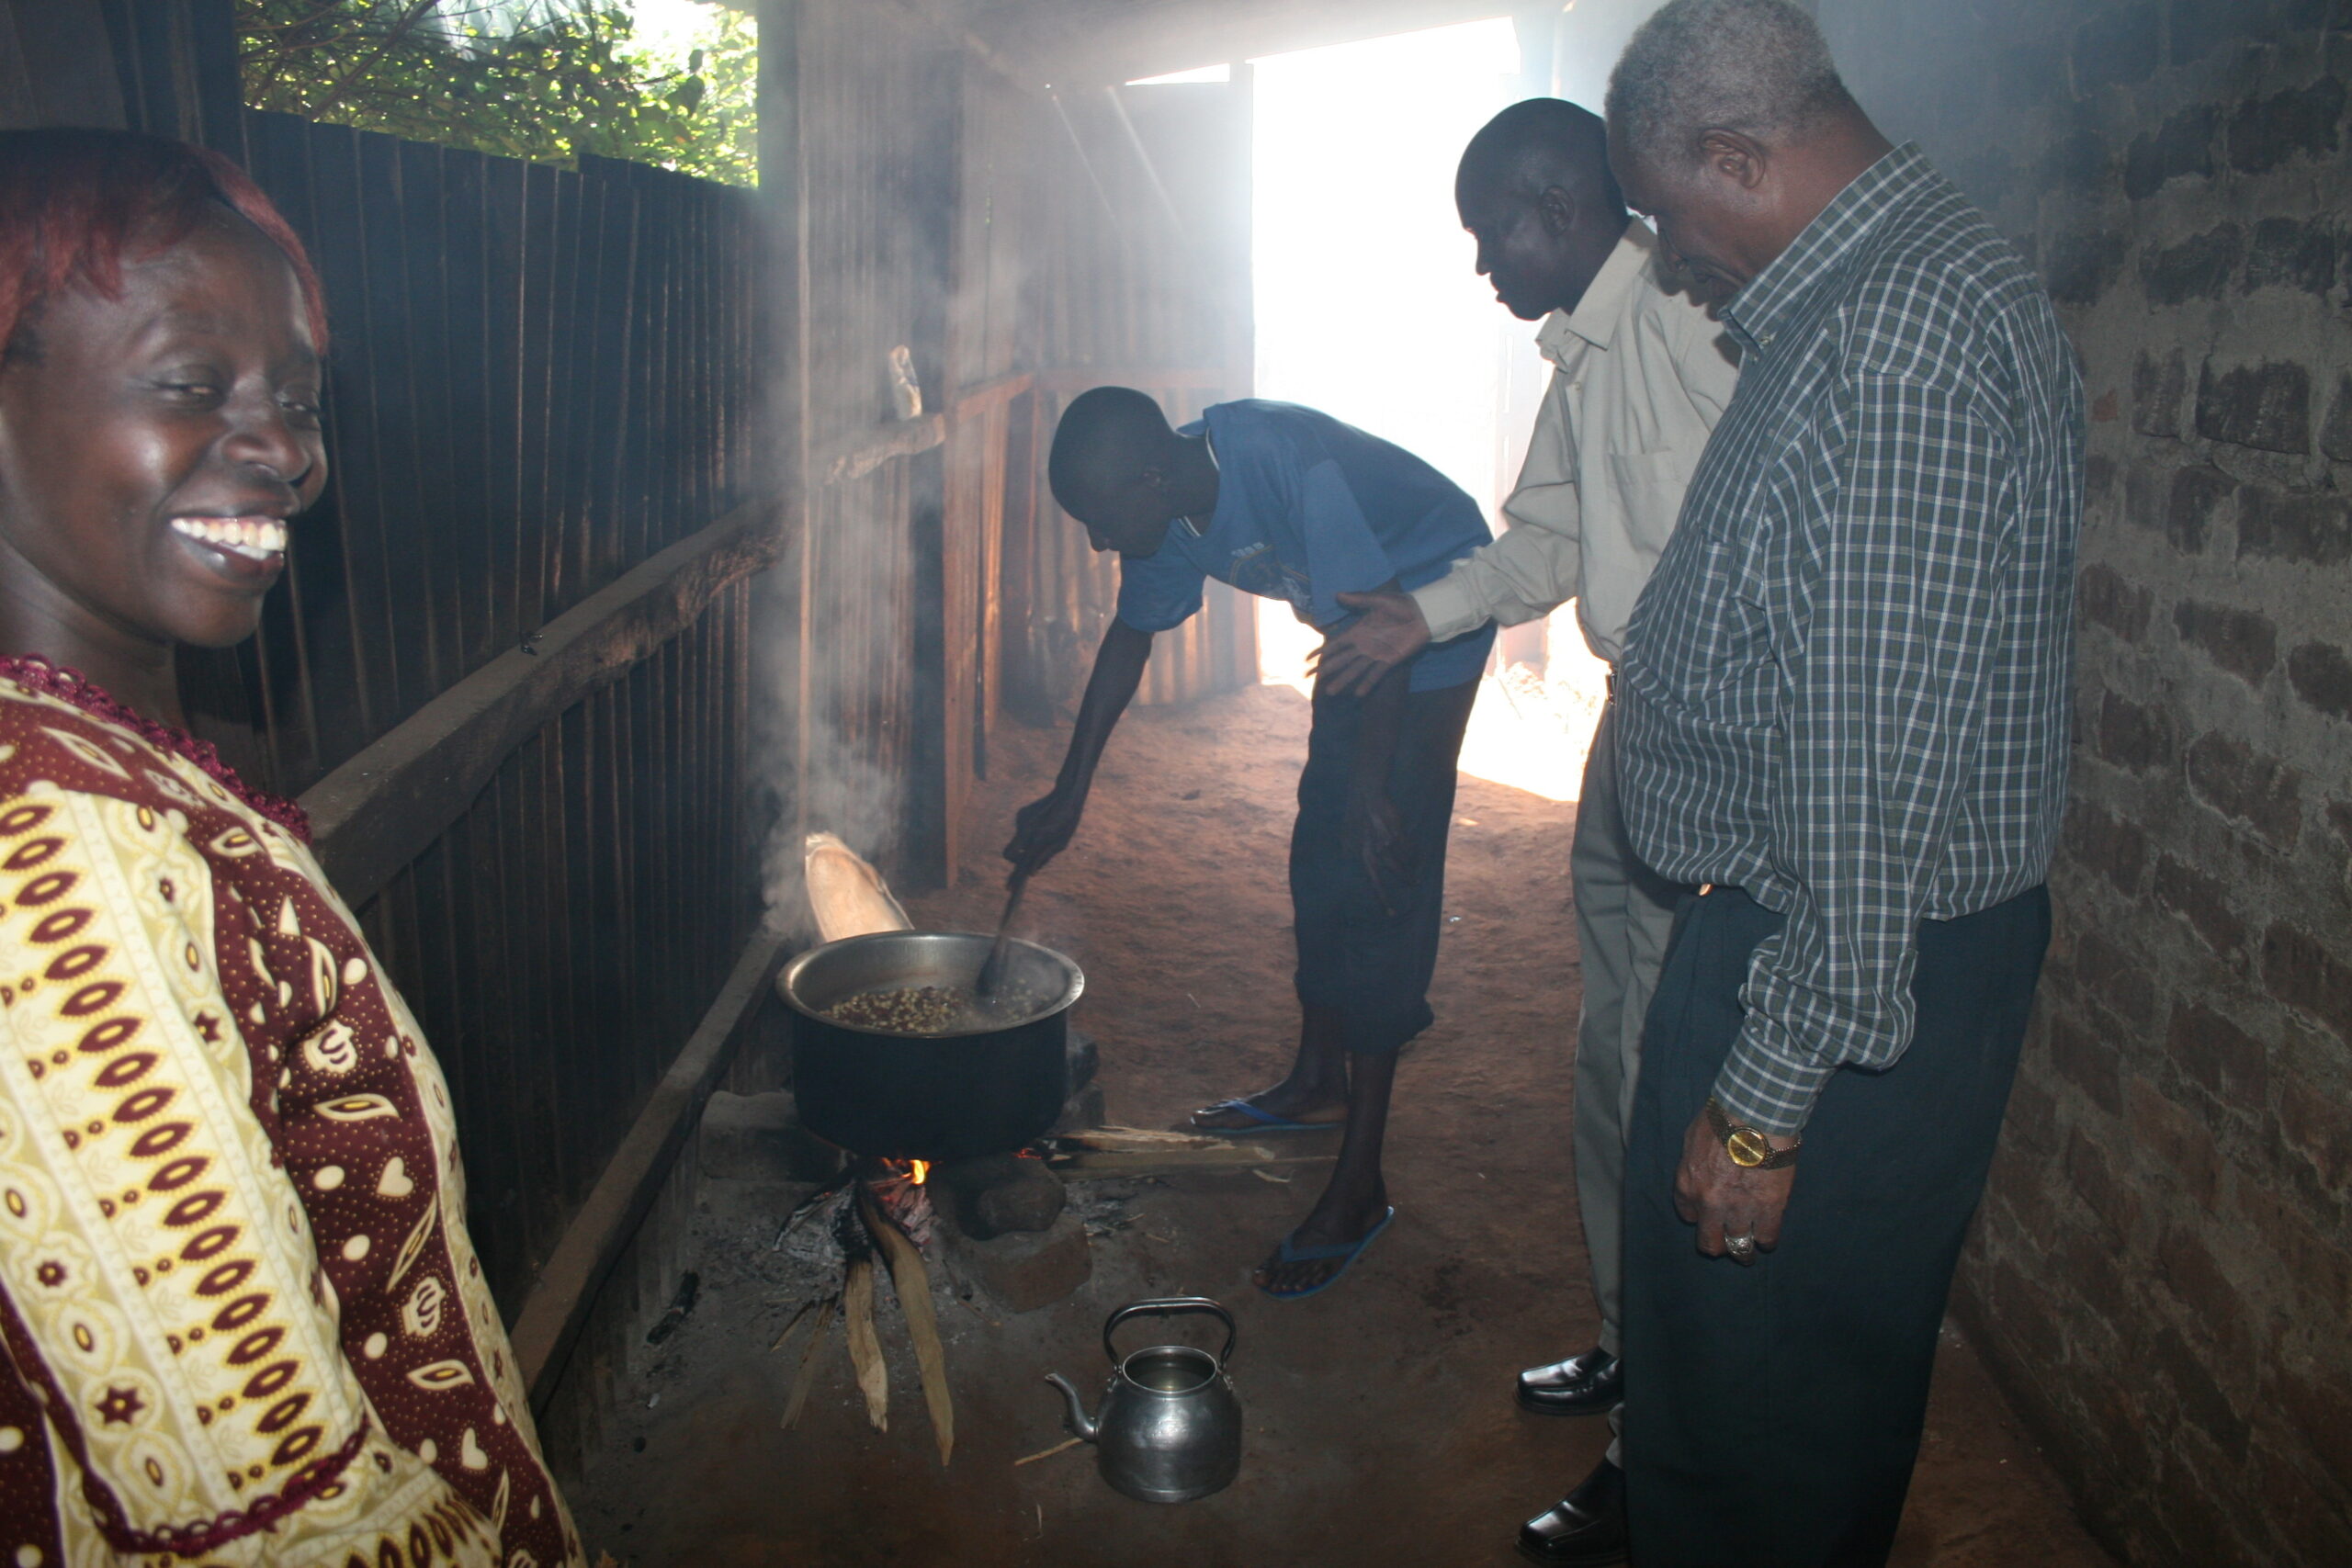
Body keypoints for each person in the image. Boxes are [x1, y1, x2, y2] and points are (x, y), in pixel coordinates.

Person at [0, 129, 582, 1566]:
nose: (287, 453)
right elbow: (292, 1525)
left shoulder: (108, 760)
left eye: (299, 398)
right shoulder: (54, 857)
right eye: (192, 385)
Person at [1598, 3, 2082, 1562]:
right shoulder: (1876, 297)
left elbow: (1874, 771)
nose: (1674, 255)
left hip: (1843, 963)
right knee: (1749, 1392)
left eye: (1673, 211)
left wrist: (1764, 1103)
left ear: (1739, 158)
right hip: (1822, 939)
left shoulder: (1897, 339)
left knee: (1763, 1418)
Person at [1314, 97, 1737, 1565]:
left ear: (1558, 204)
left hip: (1718, 744)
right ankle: (1631, 1344)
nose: (1483, 263)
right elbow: (1550, 540)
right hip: (1644, 728)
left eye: (1490, 230)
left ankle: (1658, 1452)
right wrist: (1416, 613)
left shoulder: (1694, 324)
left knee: (1663, 1068)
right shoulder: (1587, 360)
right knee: (1609, 1057)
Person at [1004, 388, 1494, 1299]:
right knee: (1321, 851)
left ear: (1149, 478)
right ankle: (1319, 1078)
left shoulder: (1281, 462)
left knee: (1380, 874)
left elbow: (1389, 622)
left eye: (1102, 520)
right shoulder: (1170, 512)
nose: (1099, 544)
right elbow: (1130, 636)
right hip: (1360, 628)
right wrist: (1069, 789)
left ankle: (1360, 1184)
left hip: (1431, 603)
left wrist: (1379, 789)